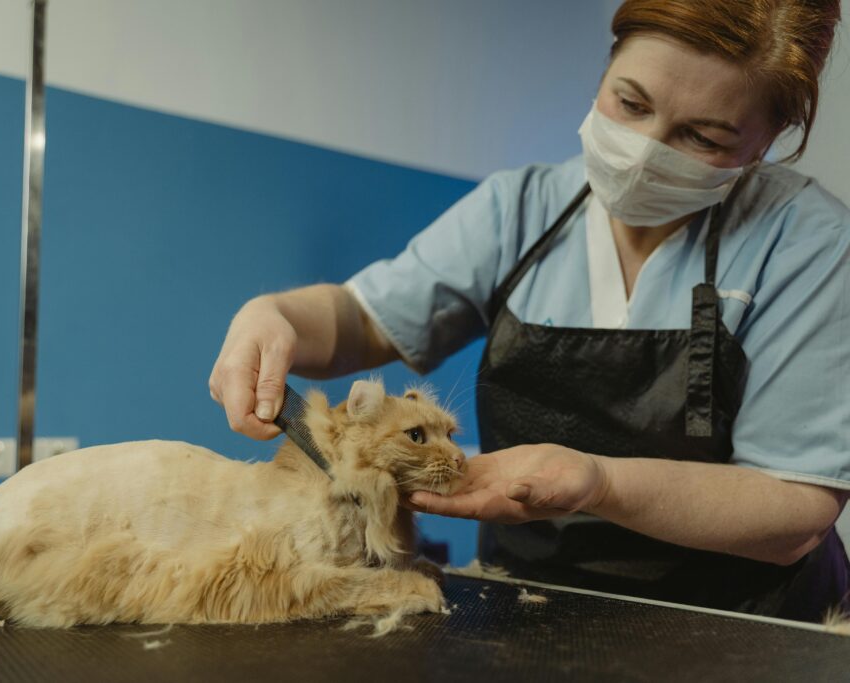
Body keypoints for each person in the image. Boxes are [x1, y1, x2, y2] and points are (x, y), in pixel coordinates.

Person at [208, 0, 849, 622]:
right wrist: (275, 317)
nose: (646, 149)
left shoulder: (810, 246)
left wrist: (597, 482)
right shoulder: (522, 209)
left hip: (740, 625)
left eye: (702, 136)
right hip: (528, 609)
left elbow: (792, 513)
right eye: (630, 103)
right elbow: (366, 319)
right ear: (606, 68)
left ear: (770, 140)